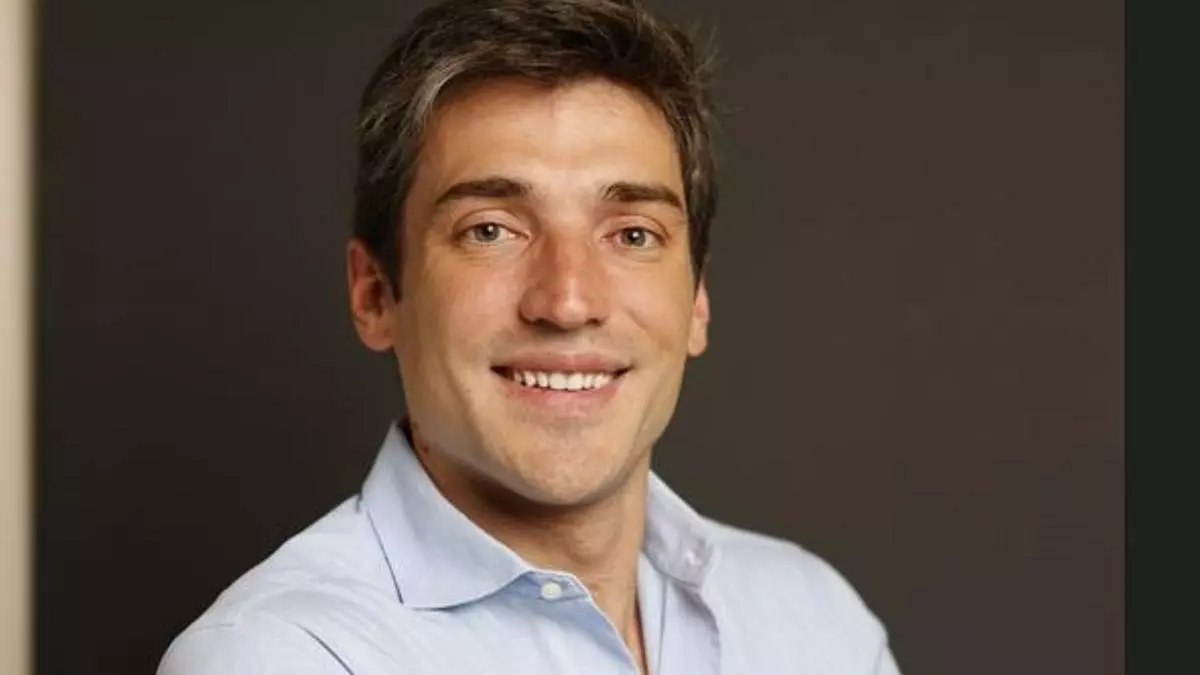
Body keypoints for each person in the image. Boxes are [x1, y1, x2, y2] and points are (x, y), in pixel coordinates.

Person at [158, 0, 902, 672]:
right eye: (490, 230)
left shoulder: (816, 620)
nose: (568, 301)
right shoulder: (276, 655)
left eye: (633, 234)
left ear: (697, 299)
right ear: (376, 293)